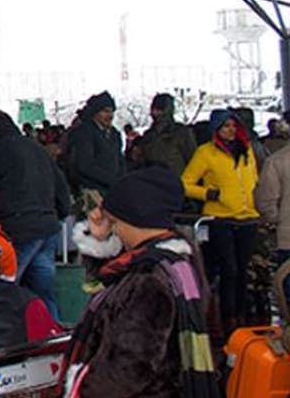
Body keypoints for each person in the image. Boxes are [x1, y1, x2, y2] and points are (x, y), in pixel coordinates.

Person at [64, 167, 222, 398]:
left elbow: (129, 366)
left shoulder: (149, 280)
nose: (113, 228)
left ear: (131, 217)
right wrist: (100, 240)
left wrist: (85, 391)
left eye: (114, 221)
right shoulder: (179, 260)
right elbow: (108, 283)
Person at [0, 108, 70, 317]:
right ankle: (52, 340)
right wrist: (58, 215)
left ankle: (0, 341)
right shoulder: (36, 148)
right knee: (43, 295)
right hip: (47, 227)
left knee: (2, 294)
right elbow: (61, 187)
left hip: (16, 230)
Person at [181, 108, 260, 333]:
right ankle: (229, 320)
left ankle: (242, 318)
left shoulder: (247, 150)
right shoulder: (205, 152)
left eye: (234, 126)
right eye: (226, 126)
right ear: (216, 129)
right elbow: (185, 183)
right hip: (221, 218)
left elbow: (254, 178)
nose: (231, 130)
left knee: (243, 270)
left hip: (248, 217)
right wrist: (207, 194)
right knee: (229, 270)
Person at [67, 91, 125, 194]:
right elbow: (85, 165)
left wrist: (122, 179)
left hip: (114, 188)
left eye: (112, 112)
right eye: (105, 111)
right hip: (92, 189)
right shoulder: (84, 133)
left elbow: (119, 159)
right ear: (95, 113)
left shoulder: (114, 134)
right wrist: (111, 179)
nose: (110, 115)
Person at [133, 93, 196, 176]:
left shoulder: (181, 132)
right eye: (154, 109)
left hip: (176, 182)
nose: (156, 112)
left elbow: (193, 161)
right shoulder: (149, 135)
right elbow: (141, 162)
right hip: (153, 182)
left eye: (160, 109)